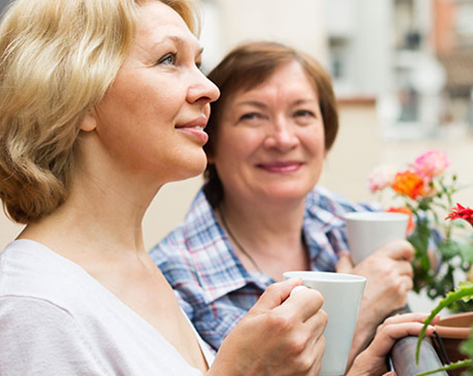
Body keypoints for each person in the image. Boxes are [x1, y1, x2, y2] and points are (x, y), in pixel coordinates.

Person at [0, 0, 432, 375]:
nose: (209, 88)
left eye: (198, 63)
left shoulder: (134, 269)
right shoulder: (35, 308)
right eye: (168, 60)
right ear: (78, 99)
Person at [150, 41, 416, 362]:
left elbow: (442, 247)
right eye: (252, 116)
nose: (283, 139)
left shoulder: (348, 222)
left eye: (302, 114)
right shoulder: (171, 283)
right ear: (211, 141)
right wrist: (361, 310)